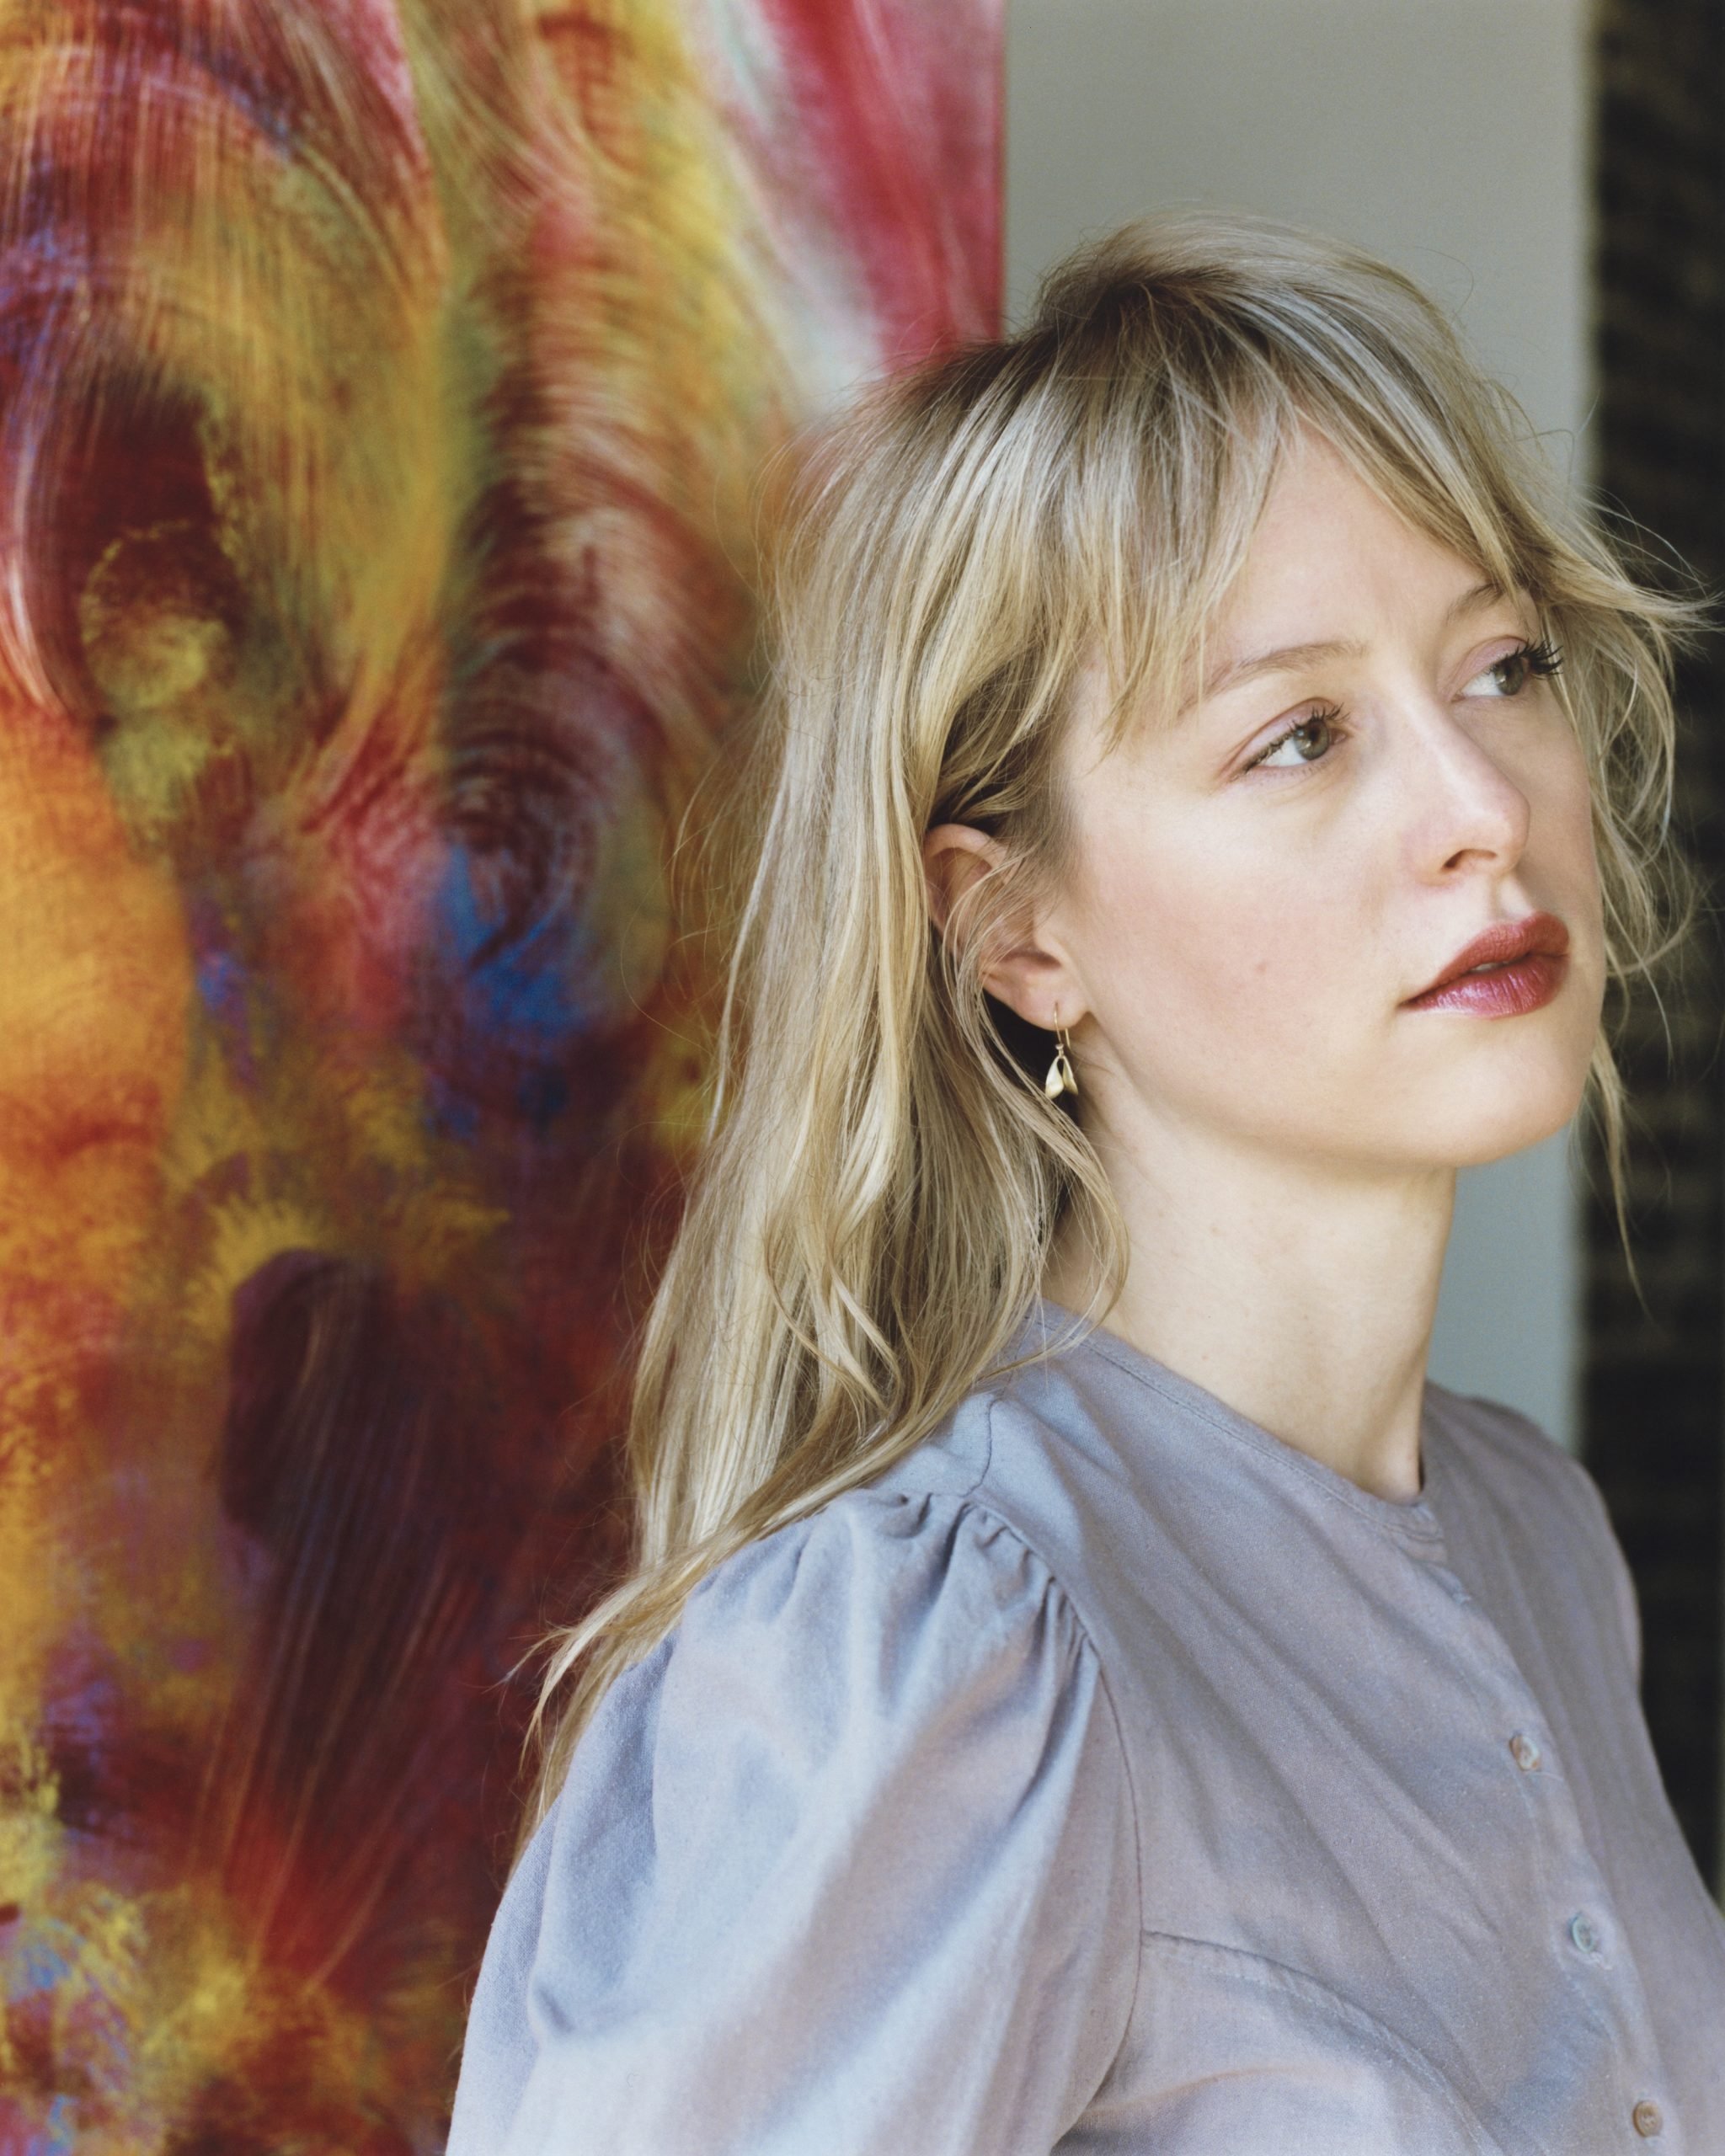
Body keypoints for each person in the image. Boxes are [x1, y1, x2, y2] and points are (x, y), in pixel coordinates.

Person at [446, 213, 1725, 2153]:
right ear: (1015, 926)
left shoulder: (1535, 1533)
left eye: (1499, 665)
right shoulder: (935, 1644)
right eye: (1299, 735)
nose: (1481, 808)